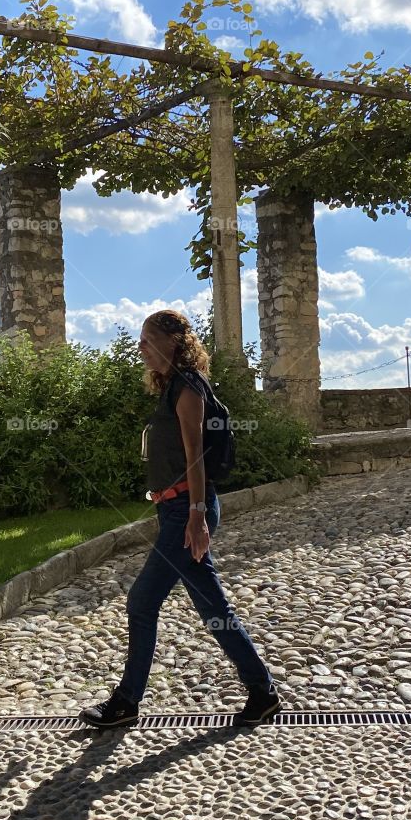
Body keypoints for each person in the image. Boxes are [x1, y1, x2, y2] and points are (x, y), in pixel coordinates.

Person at [80, 308, 280, 730]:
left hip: (188, 511)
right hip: (177, 508)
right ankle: (262, 693)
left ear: (173, 341)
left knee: (142, 601)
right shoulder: (171, 387)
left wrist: (195, 516)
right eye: (139, 341)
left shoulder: (189, 387)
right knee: (213, 609)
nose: (141, 349)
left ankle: (126, 701)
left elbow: (197, 456)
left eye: (147, 340)